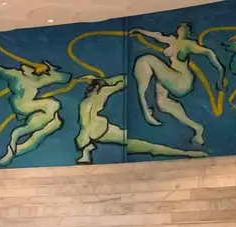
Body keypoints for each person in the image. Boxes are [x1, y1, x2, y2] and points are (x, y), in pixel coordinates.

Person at [74, 74, 205, 164]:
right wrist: (106, 80)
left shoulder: (84, 103)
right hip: (100, 129)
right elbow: (124, 80)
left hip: (91, 134)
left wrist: (85, 144)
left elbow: (84, 125)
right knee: (146, 147)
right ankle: (187, 153)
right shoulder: (103, 91)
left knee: (143, 146)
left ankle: (187, 154)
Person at [131, 23, 226, 146]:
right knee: (163, 104)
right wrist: (139, 30)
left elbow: (209, 53)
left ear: (188, 31)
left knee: (146, 60)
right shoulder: (172, 40)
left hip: (181, 80)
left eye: (184, 27)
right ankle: (197, 129)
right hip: (172, 76)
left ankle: (145, 107)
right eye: (180, 27)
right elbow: (157, 36)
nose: (180, 29)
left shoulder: (188, 44)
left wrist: (220, 73)